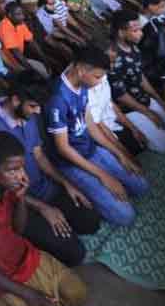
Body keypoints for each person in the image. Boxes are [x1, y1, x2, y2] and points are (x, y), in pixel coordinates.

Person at [0, 73, 101, 267]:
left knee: (90, 220)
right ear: (15, 100)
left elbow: (39, 155)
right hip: (20, 202)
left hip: (44, 188)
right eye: (33, 106)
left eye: (38, 106)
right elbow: (0, 186)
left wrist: (66, 184)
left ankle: (58, 223)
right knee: (75, 254)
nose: (37, 112)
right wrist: (44, 208)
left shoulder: (25, 114)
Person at [0, 132, 87, 306]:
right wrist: (28, 294)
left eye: (21, 167)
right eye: (12, 170)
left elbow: (18, 230)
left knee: (77, 294)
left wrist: (21, 198)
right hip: (3, 279)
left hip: (27, 257)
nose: (20, 175)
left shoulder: (7, 188)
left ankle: (44, 305)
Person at [46, 46, 150, 226]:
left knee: (142, 186)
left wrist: (120, 154)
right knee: (126, 216)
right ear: (81, 70)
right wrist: (103, 175)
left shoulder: (83, 85)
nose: (100, 81)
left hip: (91, 151)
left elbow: (91, 126)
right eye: (97, 76)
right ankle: (89, 192)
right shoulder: (58, 99)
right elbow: (63, 148)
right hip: (71, 163)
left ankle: (105, 187)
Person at [109, 9, 165, 152]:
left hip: (143, 99)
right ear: (121, 32)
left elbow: (140, 76)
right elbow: (120, 95)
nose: (141, 33)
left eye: (139, 28)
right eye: (135, 30)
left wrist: (160, 99)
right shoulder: (113, 57)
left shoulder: (133, 47)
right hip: (129, 108)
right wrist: (148, 113)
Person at [0, 1, 50, 79]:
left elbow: (31, 42)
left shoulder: (19, 23)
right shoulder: (4, 26)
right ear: (9, 15)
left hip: (21, 58)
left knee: (45, 71)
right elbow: (15, 52)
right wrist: (32, 70)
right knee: (40, 76)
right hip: (10, 63)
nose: (22, 17)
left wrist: (44, 59)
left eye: (22, 13)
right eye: (18, 14)